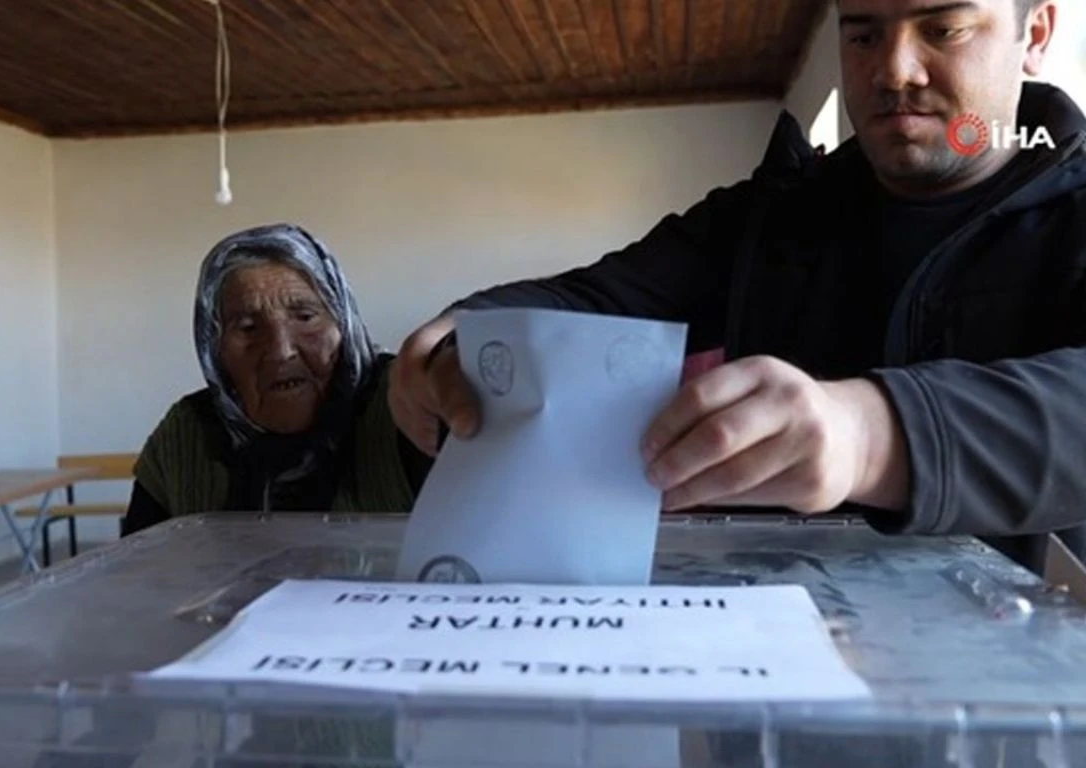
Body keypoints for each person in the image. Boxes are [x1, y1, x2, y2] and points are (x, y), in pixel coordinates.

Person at [388, 0, 1086, 574]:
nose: (894, 70)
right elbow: (599, 298)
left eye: (944, 28)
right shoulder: (769, 216)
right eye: (862, 35)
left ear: (1036, 34)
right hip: (773, 663)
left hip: (1028, 680)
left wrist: (869, 436)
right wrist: (462, 332)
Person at [123, 223, 432, 534]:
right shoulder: (187, 435)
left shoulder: (402, 403)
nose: (281, 351)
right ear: (214, 350)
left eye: (305, 317)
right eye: (247, 328)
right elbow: (138, 560)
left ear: (343, 324)